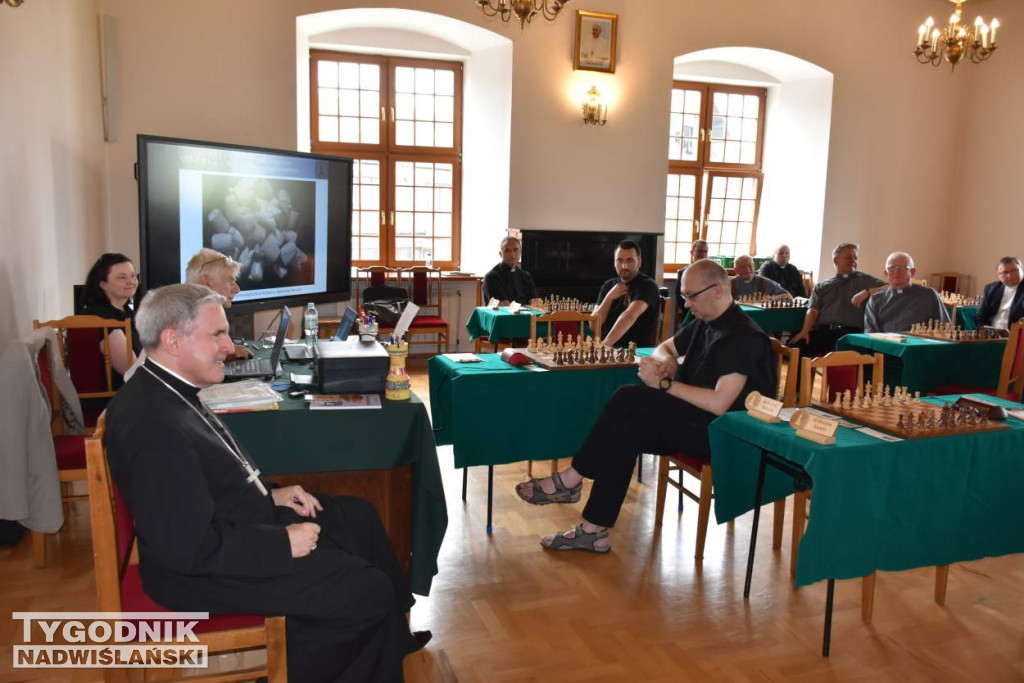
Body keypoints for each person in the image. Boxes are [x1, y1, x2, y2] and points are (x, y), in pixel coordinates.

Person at [104, 284, 429, 683]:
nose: (228, 346)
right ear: (173, 340)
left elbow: (209, 475)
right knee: (366, 591)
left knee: (358, 518)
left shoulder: (168, 388)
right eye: (217, 335)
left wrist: (271, 492)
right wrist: (282, 543)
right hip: (199, 575)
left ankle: (388, 637)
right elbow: (187, 549)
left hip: (230, 527)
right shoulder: (152, 426)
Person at [514, 260, 777, 551]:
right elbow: (666, 347)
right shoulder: (706, 322)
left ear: (716, 290)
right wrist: (666, 365)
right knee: (627, 429)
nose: (686, 304)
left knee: (630, 397)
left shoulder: (742, 336)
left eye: (691, 296)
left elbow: (719, 404)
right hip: (697, 421)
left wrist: (663, 384)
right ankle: (594, 530)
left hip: (727, 435)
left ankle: (572, 478)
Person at [788, 243, 886, 358]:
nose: (853, 261)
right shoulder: (822, 286)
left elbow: (890, 287)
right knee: (797, 346)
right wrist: (805, 331)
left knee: (841, 351)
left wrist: (867, 292)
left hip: (850, 334)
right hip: (825, 331)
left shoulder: (864, 280)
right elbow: (813, 311)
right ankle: (801, 376)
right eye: (849, 257)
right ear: (836, 260)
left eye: (855, 258)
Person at [80, 253, 142, 382]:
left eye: (133, 276)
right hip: (114, 398)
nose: (131, 282)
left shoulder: (128, 312)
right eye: (121, 277)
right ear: (103, 284)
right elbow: (132, 370)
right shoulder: (98, 317)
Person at [185, 248, 252, 360]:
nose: (237, 289)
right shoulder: (185, 319)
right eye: (230, 281)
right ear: (207, 282)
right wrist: (226, 355)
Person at [592, 240, 662, 348]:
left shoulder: (648, 286)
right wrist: (609, 298)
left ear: (639, 262)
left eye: (629, 260)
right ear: (614, 262)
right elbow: (593, 325)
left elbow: (629, 316)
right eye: (619, 260)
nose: (624, 266)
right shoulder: (608, 285)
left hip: (635, 353)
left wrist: (604, 346)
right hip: (608, 352)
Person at [864, 252, 949, 333]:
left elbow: (944, 329)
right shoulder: (875, 300)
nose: (896, 272)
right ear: (886, 273)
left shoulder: (929, 295)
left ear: (912, 272)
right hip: (884, 346)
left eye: (902, 268)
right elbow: (870, 332)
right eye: (892, 268)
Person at [482, 236, 536, 305]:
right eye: (507, 250)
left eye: (515, 250)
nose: (512, 254)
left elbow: (535, 301)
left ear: (521, 252)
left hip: (527, 314)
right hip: (504, 315)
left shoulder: (526, 276)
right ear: (500, 254)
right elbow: (503, 305)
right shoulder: (492, 276)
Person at [975, 256, 1024, 330]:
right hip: (991, 334)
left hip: (1017, 335)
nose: (1009, 275)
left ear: (1022, 270)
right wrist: (984, 330)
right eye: (1005, 272)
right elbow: (981, 315)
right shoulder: (991, 288)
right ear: (998, 275)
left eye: (1014, 271)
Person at [675, 240, 710, 313]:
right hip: (690, 308)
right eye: (700, 251)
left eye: (705, 252)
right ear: (692, 252)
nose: (703, 254)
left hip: (709, 308)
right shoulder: (684, 272)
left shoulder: (711, 272)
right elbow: (679, 294)